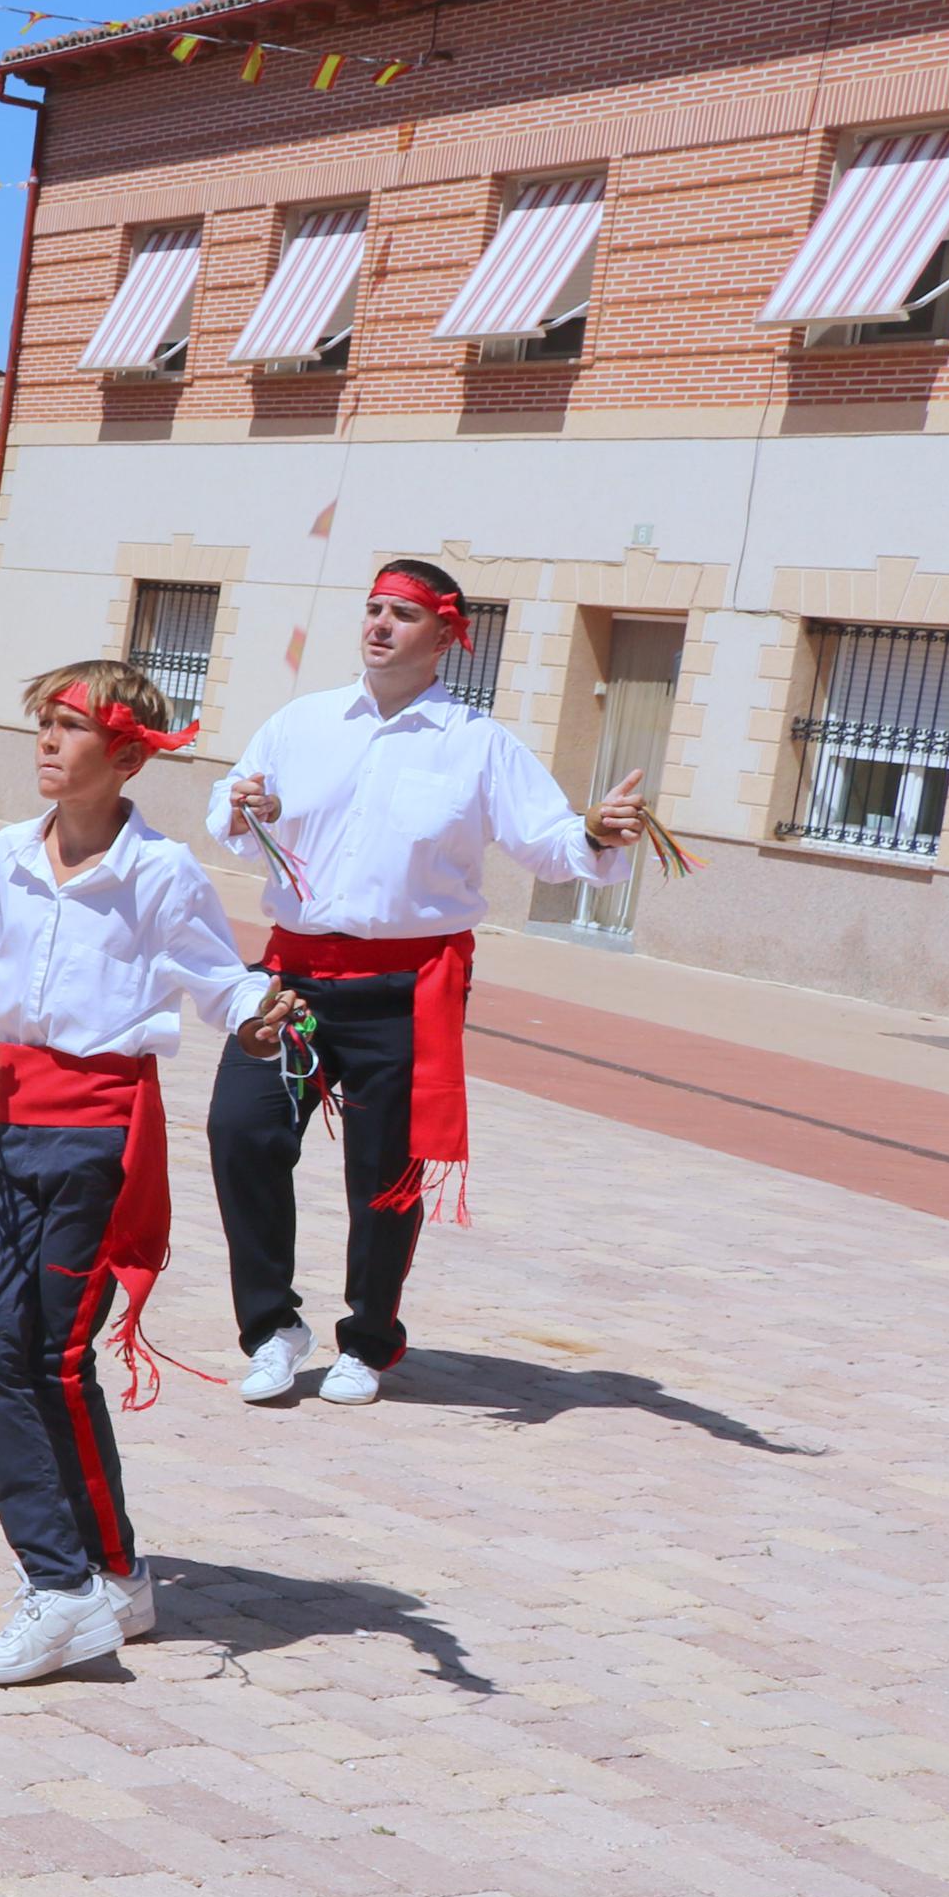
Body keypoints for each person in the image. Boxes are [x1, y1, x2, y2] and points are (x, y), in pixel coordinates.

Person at [205, 558, 645, 1407]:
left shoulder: (475, 742)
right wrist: (242, 805)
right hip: (289, 977)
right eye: (371, 609)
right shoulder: (301, 722)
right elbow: (229, 804)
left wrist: (594, 830)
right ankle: (270, 1327)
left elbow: (551, 840)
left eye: (401, 614)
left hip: (404, 989)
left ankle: (367, 1339)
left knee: (384, 1175)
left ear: (445, 636)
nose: (378, 625)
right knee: (240, 1134)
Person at [0, 664, 288, 1686]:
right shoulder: (5, 853)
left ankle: (61, 1587)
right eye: (39, 721)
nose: (44, 740)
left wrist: (262, 1012)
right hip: (14, 1126)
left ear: (127, 757)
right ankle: (109, 1573)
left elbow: (221, 985)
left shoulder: (162, 874)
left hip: (100, 1134)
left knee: (48, 1359)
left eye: (69, 727)